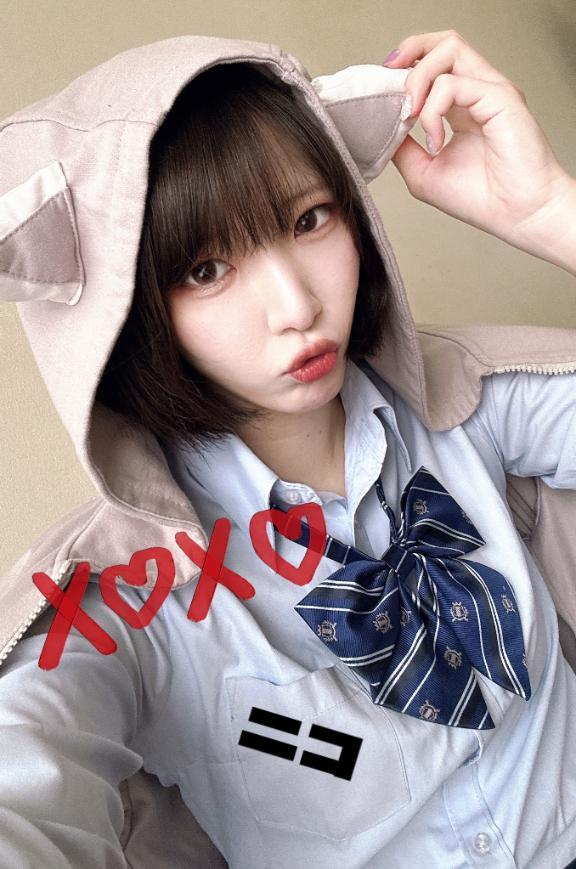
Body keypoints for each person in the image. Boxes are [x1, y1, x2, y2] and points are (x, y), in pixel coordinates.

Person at [0, 27, 575, 869]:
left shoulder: (470, 400)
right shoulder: (124, 594)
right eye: (207, 270)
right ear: (130, 313)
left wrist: (551, 213)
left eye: (310, 219)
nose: (296, 305)